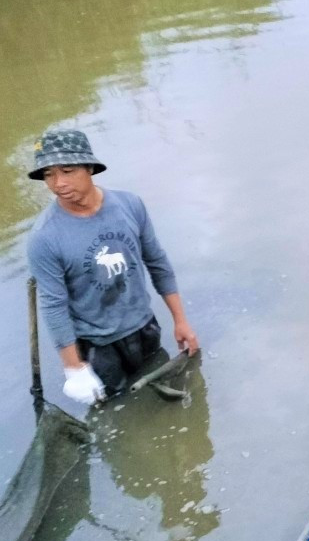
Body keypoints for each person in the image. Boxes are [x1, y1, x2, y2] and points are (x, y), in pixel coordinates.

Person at [26, 128, 198, 404]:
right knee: (113, 406)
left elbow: (157, 262)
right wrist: (73, 368)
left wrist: (180, 321)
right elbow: (53, 305)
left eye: (67, 170)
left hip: (144, 326)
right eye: (48, 175)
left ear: (89, 167)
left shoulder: (129, 205)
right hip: (97, 345)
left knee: (157, 389)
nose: (58, 183)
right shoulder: (44, 238)